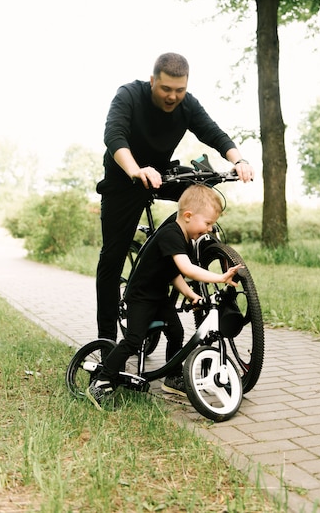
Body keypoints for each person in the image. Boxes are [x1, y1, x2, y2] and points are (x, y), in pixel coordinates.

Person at [96, 52, 254, 342]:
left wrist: (239, 160)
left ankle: (190, 250)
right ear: (153, 80)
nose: (172, 97)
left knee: (200, 189)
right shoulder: (129, 95)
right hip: (123, 180)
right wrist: (135, 169)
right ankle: (106, 341)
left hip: (160, 175)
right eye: (166, 89)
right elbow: (114, 135)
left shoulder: (187, 104)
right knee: (112, 257)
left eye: (179, 90)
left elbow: (214, 133)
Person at [87, 184, 243, 410]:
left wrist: (190, 295)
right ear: (188, 216)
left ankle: (172, 378)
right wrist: (219, 278)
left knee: (176, 332)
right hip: (141, 297)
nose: (209, 229)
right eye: (207, 223)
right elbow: (187, 269)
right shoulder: (170, 233)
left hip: (159, 297)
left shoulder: (185, 239)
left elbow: (174, 274)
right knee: (133, 340)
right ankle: (102, 379)